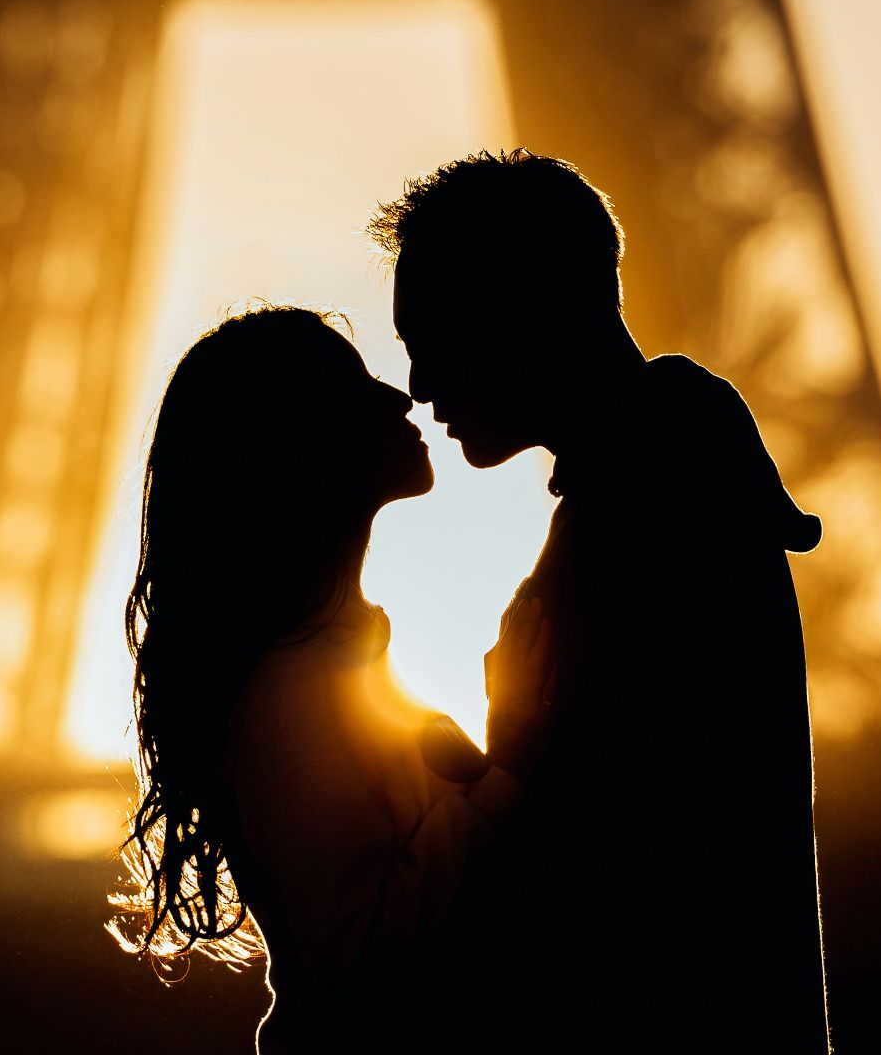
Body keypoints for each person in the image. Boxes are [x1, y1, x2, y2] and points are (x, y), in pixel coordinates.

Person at [369, 150, 831, 1051]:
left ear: (515, 309)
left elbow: (615, 844)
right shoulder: (667, 473)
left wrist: (470, 772)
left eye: (431, 335)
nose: (421, 387)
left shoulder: (647, 499)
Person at [109, 306, 555, 1053]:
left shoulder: (328, 672)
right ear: (301, 443)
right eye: (358, 386)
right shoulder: (296, 694)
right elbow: (362, 958)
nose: (401, 397)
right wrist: (509, 766)